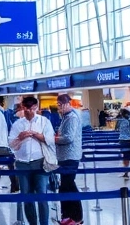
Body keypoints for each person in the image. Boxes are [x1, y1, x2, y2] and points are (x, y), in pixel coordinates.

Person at [9, 95, 56, 225]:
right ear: (23, 108)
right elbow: (11, 144)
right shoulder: (18, 124)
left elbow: (51, 140)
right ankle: (33, 223)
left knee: (41, 195)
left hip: (40, 163)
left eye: (31, 108)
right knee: (27, 197)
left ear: (36, 107)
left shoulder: (44, 122)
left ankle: (44, 223)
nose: (28, 111)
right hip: (22, 164)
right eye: (26, 108)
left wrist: (36, 135)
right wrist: (20, 137)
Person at [55, 94, 83, 225]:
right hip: (64, 156)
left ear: (67, 104)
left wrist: (52, 139)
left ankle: (75, 217)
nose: (59, 108)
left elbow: (68, 138)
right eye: (58, 105)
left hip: (70, 157)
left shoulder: (71, 118)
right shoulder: (65, 117)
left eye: (60, 105)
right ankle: (67, 216)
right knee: (66, 187)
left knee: (69, 186)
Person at [115, 108, 130, 180]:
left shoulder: (120, 121)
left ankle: (126, 173)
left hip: (123, 141)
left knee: (125, 157)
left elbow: (116, 129)